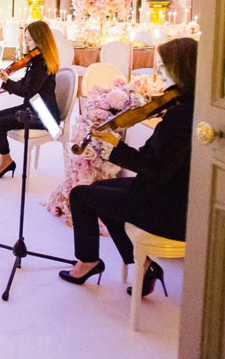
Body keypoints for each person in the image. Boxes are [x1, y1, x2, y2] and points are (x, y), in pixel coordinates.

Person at [58, 37, 197, 298]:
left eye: (164, 66)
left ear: (180, 69)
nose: (160, 72)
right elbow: (162, 156)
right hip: (166, 192)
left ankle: (88, 261)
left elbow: (160, 170)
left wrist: (116, 147)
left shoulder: (181, 116)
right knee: (101, 191)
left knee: (81, 196)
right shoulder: (188, 105)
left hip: (166, 206)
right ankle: (143, 265)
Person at [0, 20, 61, 185]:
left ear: (41, 40)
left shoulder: (41, 62)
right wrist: (7, 84)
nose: (27, 43)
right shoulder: (36, 59)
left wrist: (8, 80)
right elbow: (27, 83)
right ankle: (6, 160)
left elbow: (28, 91)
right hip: (34, 107)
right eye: (26, 39)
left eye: (30, 40)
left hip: (45, 116)